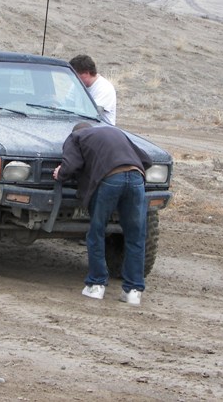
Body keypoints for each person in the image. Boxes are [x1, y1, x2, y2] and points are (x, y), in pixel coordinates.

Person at [53, 122, 152, 305]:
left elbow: (72, 164)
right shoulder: (115, 132)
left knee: (97, 232)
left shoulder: (76, 137)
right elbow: (146, 160)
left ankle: (96, 286)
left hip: (110, 179)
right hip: (137, 177)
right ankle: (133, 291)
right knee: (135, 236)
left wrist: (60, 173)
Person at [69, 55, 117, 125]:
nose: (74, 78)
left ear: (86, 73)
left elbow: (94, 115)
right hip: (79, 126)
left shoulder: (104, 88)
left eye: (76, 75)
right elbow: (67, 104)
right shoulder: (76, 85)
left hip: (100, 130)